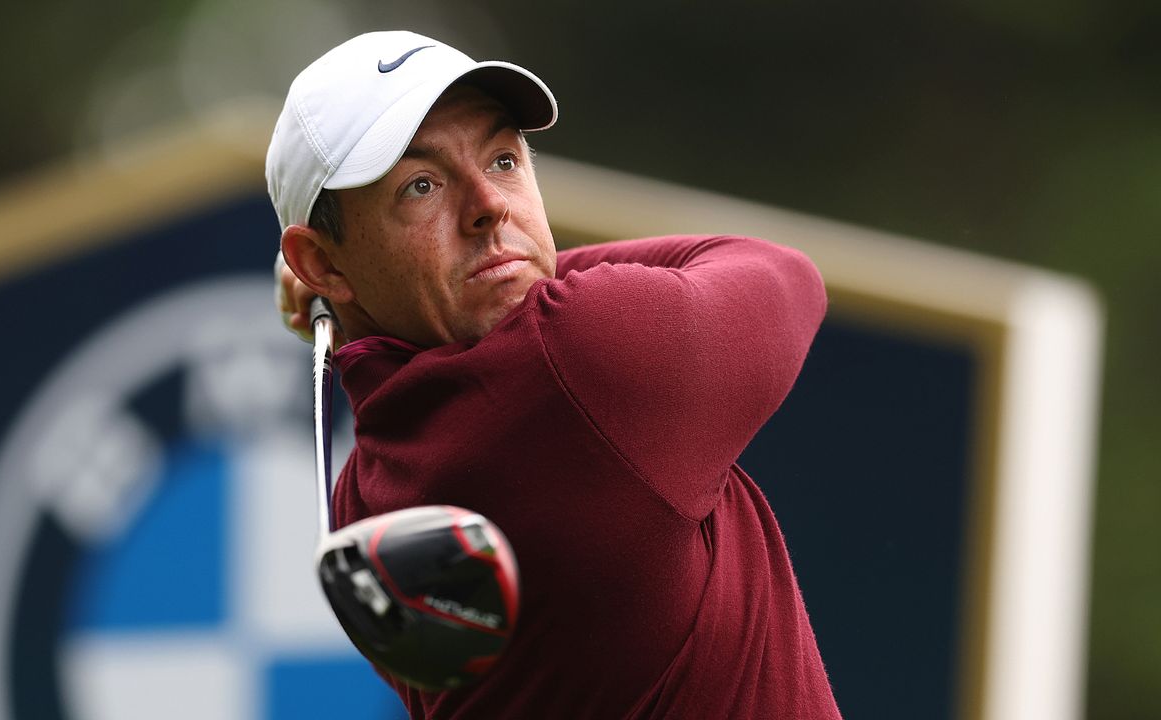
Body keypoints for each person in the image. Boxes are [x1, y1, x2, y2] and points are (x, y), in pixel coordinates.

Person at [268, 30, 843, 719]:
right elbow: (783, 274)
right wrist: (528, 270)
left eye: (504, 158)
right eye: (420, 185)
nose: (490, 205)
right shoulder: (585, 358)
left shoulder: (363, 498)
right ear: (320, 262)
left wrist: (355, 291)